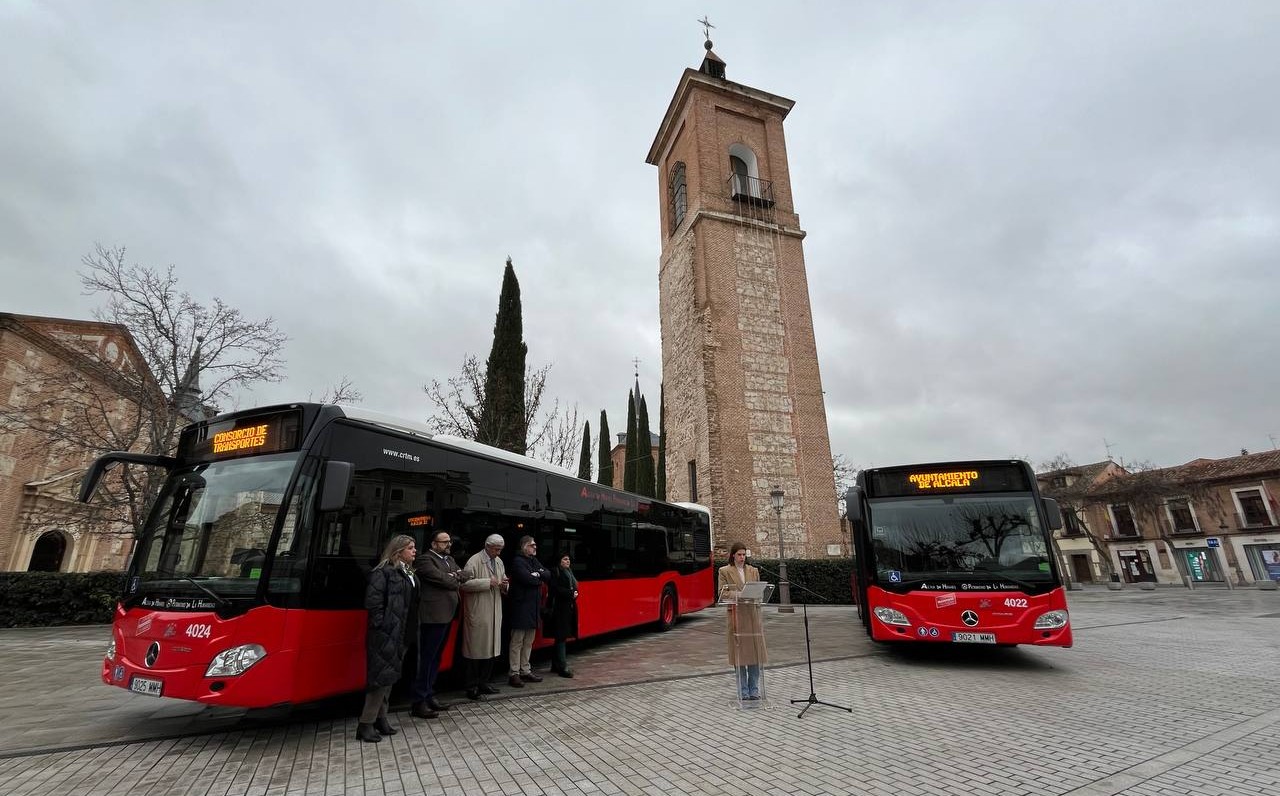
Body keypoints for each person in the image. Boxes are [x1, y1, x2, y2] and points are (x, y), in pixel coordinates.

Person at [359, 534, 417, 742]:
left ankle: (381, 717)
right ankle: (366, 723)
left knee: (390, 677)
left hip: (403, 632)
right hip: (387, 633)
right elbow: (373, 603)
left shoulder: (407, 571)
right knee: (380, 678)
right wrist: (383, 626)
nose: (414, 551)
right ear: (398, 551)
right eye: (410, 548)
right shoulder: (383, 572)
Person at [410, 530, 471, 718]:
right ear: (434, 543)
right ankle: (419, 700)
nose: (448, 545)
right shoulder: (425, 560)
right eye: (444, 542)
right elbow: (443, 580)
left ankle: (430, 694)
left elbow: (466, 574)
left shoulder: (449, 559)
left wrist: (454, 575)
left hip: (447, 615)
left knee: (436, 657)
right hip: (432, 616)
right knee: (427, 658)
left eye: (449, 541)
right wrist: (454, 577)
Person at [459, 534, 508, 700]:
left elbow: (502, 580)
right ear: (487, 546)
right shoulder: (474, 560)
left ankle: (484, 682)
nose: (498, 553)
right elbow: (464, 584)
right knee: (475, 650)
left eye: (500, 550)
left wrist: (505, 585)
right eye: (496, 549)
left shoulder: (499, 561)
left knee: (491, 649)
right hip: (479, 611)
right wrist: (487, 582)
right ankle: (471, 685)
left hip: (494, 611)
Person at [717, 542, 767, 700]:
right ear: (733, 555)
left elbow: (759, 592)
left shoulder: (753, 571)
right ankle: (743, 692)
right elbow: (722, 593)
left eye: (744, 555)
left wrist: (756, 593)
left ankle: (754, 690)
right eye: (739, 554)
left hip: (752, 616)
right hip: (737, 617)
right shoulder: (724, 571)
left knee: (754, 656)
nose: (742, 557)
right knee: (740, 657)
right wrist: (739, 594)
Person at [506, 536, 551, 687]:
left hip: (533, 608)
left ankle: (525, 670)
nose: (535, 547)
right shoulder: (518, 561)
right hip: (520, 608)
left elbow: (548, 574)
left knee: (528, 642)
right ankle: (514, 673)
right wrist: (538, 575)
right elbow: (527, 579)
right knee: (517, 641)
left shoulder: (533, 560)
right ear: (524, 546)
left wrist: (537, 574)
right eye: (532, 545)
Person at [547, 552, 579, 677]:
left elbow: (573, 587)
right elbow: (555, 589)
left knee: (560, 637)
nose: (568, 561)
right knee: (561, 637)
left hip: (567, 608)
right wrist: (571, 593)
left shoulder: (569, 572)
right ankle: (563, 667)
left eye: (568, 559)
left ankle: (555, 665)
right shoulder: (555, 572)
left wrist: (574, 593)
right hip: (559, 609)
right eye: (565, 559)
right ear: (559, 561)